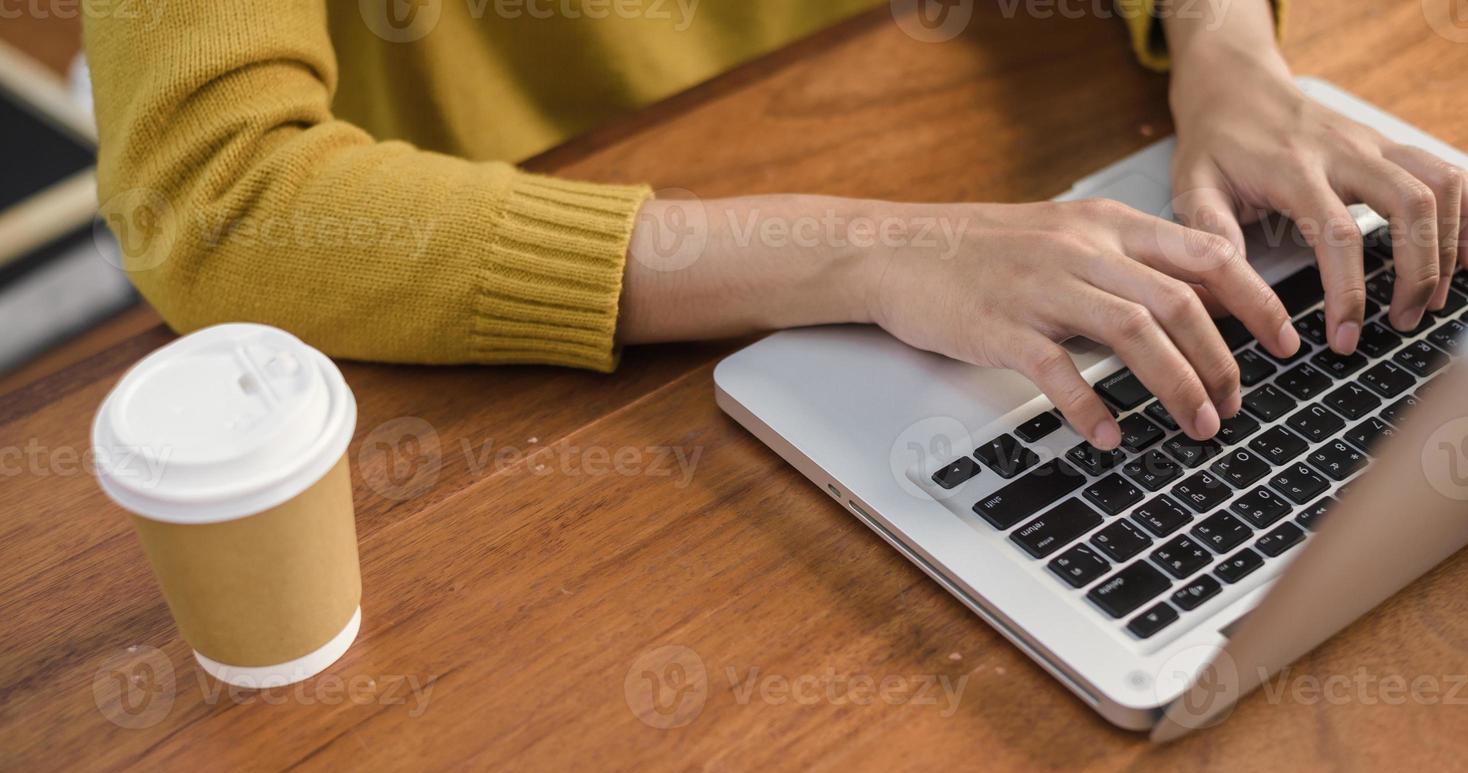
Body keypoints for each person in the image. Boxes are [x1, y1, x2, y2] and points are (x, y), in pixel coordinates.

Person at [84, 1, 1466, 451]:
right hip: (524, 360)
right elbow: (219, 195)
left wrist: (1223, 45)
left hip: (950, 123)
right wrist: (866, 250)